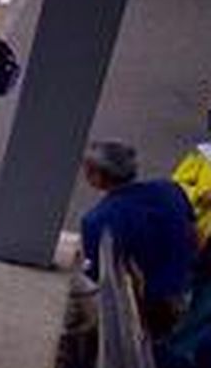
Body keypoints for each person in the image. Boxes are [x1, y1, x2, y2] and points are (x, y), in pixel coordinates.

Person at [81, 140, 198, 337]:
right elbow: (193, 231)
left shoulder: (98, 220)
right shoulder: (170, 190)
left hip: (147, 305)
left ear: (99, 175)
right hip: (189, 288)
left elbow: (100, 277)